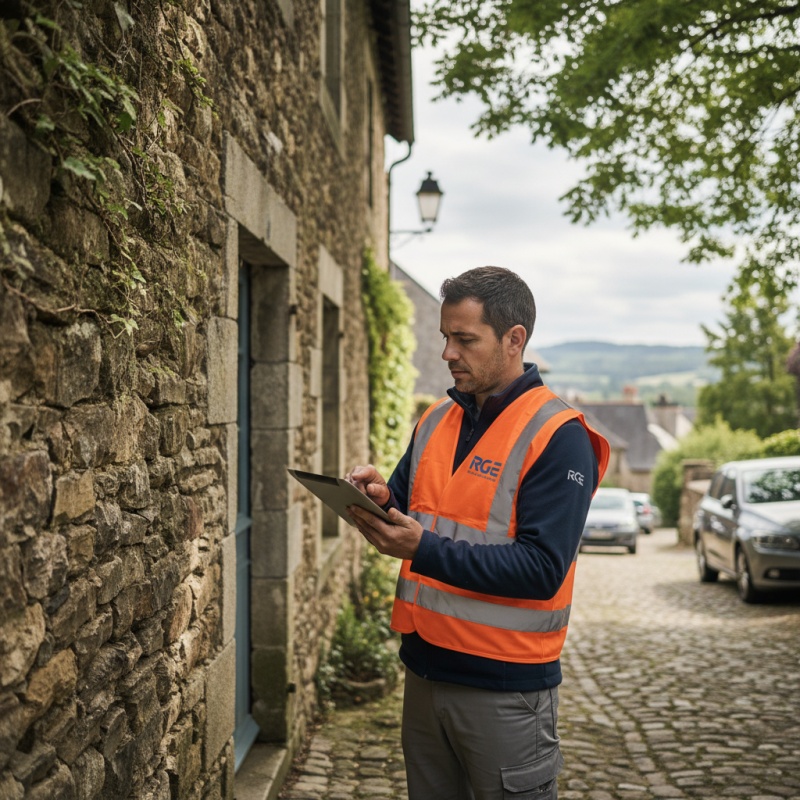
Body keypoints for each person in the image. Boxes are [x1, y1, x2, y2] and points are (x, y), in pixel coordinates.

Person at [346, 266, 609, 800]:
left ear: (514, 340)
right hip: (423, 673)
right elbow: (410, 509)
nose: (448, 352)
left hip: (505, 689)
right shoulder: (435, 418)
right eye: (446, 337)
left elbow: (541, 569)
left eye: (465, 339)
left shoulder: (559, 436)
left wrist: (422, 547)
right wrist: (379, 498)